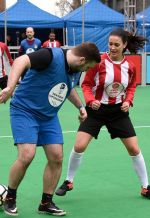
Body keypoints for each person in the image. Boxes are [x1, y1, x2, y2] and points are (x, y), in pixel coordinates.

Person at [0, 42, 100, 217]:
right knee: (27, 155)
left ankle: (46, 202)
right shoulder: (50, 56)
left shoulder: (74, 69)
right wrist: (9, 87)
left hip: (49, 116)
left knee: (56, 157)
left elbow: (67, 88)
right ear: (82, 59)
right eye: (87, 67)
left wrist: (81, 107)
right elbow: (20, 61)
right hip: (25, 110)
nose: (85, 71)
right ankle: (10, 197)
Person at [55, 28, 150, 200]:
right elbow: (86, 84)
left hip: (118, 112)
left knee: (134, 149)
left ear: (124, 45)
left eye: (116, 45)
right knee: (79, 146)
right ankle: (69, 181)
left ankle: (145, 187)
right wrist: (91, 100)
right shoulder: (99, 62)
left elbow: (131, 86)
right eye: (110, 44)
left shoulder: (130, 66)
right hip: (96, 112)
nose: (112, 48)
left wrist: (128, 101)